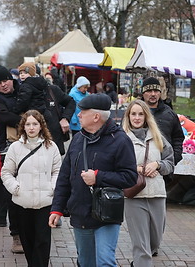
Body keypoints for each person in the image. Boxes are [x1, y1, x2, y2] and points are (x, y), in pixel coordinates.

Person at [49, 93, 137, 267]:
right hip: (80, 212)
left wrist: (98, 177)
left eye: (83, 112)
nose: (78, 115)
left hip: (106, 213)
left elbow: (130, 177)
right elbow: (64, 177)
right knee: (85, 262)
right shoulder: (78, 139)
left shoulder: (120, 140)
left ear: (96, 116)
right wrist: (57, 208)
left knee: (105, 262)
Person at [1, 110, 61, 267]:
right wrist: (16, 188)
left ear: (41, 126)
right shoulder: (15, 147)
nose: (31, 127)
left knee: (42, 241)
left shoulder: (51, 146)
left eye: (35, 124)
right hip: (22, 202)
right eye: (28, 124)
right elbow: (6, 172)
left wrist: (52, 188)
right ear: (23, 127)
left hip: (45, 202)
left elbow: (57, 171)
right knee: (27, 241)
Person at [122, 100, 174, 267]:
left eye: (140, 114)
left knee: (155, 240)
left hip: (157, 194)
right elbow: (115, 164)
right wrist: (136, 168)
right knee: (140, 244)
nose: (137, 118)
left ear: (146, 116)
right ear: (128, 116)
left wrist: (157, 165)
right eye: (133, 114)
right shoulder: (122, 138)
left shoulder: (158, 137)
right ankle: (141, 263)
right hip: (134, 195)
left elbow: (170, 163)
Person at [0, 65, 24, 253]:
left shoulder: (23, 91)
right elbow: (4, 117)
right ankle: (16, 235)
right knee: (13, 192)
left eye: (6, 80)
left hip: (33, 148)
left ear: (12, 79)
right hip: (8, 150)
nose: (3, 85)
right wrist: (28, 120)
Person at [141, 77, 184, 184]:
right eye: (149, 91)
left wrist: (173, 159)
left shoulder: (169, 114)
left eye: (156, 91)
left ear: (160, 93)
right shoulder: (134, 113)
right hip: (138, 170)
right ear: (143, 93)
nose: (153, 94)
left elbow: (178, 138)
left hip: (162, 170)